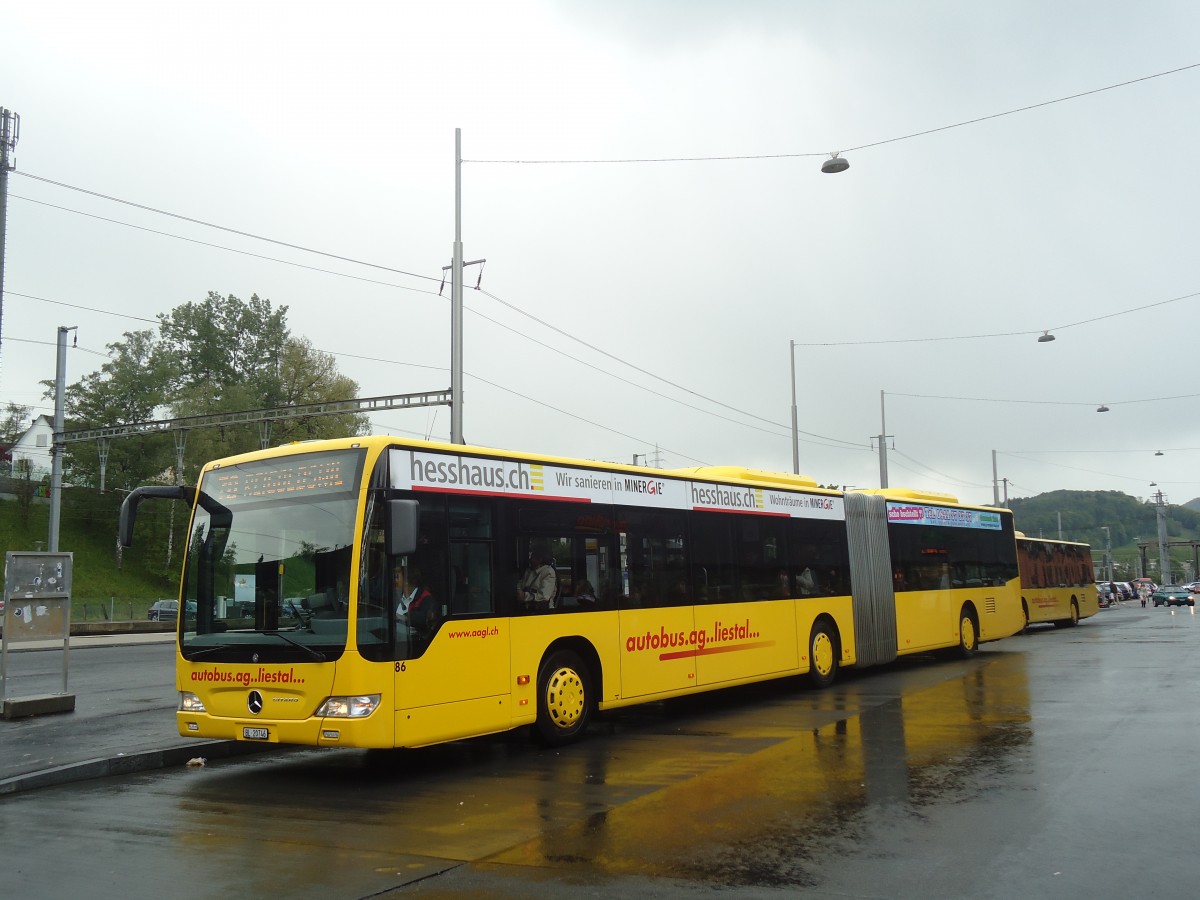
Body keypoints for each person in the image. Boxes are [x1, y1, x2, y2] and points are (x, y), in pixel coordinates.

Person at [396, 567, 436, 633]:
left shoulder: (426, 598)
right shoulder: (395, 597)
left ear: (406, 581)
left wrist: (405, 617)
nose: (394, 581)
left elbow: (425, 619)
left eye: (397, 577)